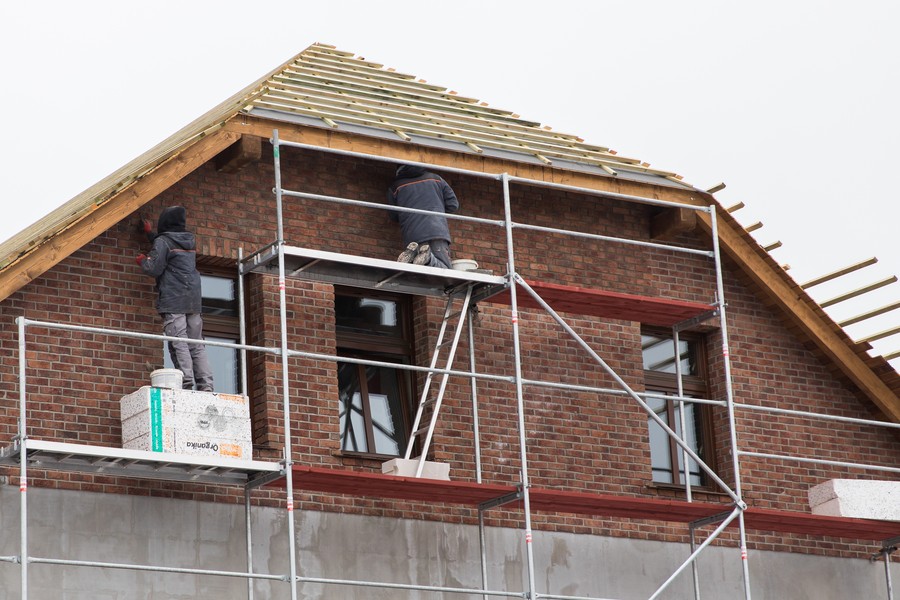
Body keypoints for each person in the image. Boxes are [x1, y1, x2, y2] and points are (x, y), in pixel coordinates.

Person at [136, 206, 214, 392]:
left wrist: (143, 261)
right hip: (193, 299)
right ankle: (206, 385)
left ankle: (185, 382)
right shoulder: (189, 240)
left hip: (174, 297)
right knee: (196, 343)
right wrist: (151, 235)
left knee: (179, 339)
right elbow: (168, 247)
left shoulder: (163, 241)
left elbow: (153, 268)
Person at [388, 164, 459, 268]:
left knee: (417, 268)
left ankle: (413, 255)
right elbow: (453, 205)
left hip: (412, 235)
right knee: (445, 269)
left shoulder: (396, 187)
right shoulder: (436, 179)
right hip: (436, 231)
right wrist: (436, 208)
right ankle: (428, 258)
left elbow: (394, 215)